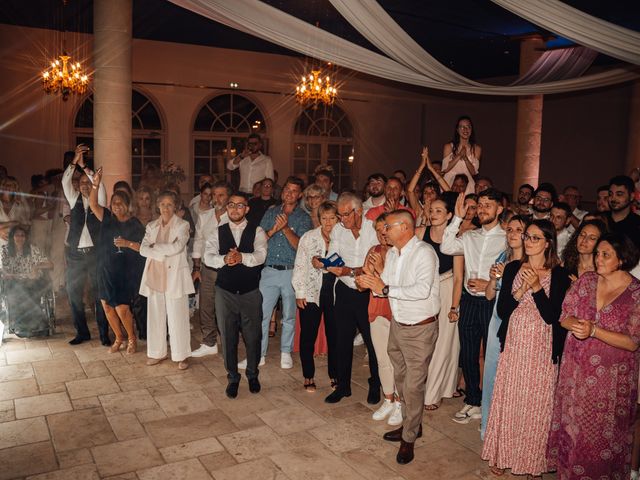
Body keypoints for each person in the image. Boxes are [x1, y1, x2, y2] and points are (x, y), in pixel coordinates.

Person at [547, 233, 640, 479]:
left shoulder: (636, 293)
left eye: (605, 254)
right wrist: (576, 325)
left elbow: (633, 342)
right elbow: (564, 316)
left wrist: (594, 331)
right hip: (575, 373)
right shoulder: (586, 281)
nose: (598, 258)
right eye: (597, 253)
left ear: (622, 259)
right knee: (573, 432)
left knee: (600, 436)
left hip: (610, 382)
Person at [483, 219, 571, 476]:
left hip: (542, 348)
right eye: (527, 237)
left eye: (535, 238)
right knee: (509, 400)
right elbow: (502, 310)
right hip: (514, 344)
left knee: (537, 406)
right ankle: (502, 454)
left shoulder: (560, 275)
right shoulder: (512, 268)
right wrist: (521, 289)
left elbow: (551, 316)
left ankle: (532, 462)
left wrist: (536, 288)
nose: (528, 242)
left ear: (548, 243)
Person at [357, 210, 440, 465]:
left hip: (419, 328)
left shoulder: (424, 253)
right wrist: (372, 281)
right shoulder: (393, 253)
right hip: (398, 324)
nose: (384, 232)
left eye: (388, 227)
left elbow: (421, 290)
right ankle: (411, 425)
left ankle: (409, 438)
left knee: (414, 386)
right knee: (402, 380)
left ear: (404, 227)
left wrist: (382, 287)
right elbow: (389, 286)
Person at [440, 188, 506, 424]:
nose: (482, 209)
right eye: (480, 205)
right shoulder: (470, 236)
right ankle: (473, 400)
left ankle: (491, 403)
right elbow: (446, 247)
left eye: (488, 205)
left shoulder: (507, 238)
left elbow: (516, 271)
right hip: (469, 301)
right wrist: (457, 218)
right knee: (467, 353)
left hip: (493, 302)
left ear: (500, 209)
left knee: (491, 354)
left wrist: (491, 283)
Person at [204, 192, 267, 399]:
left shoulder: (257, 230)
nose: (235, 209)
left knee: (253, 336)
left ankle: (252, 374)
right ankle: (232, 377)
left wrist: (242, 257)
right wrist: (225, 259)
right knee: (228, 336)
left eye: (240, 206)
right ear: (227, 208)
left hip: (250, 292)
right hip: (225, 292)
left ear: (246, 209)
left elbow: (260, 256)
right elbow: (208, 257)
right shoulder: (217, 232)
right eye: (231, 205)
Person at [324, 192, 381, 404]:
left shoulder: (374, 229)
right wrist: (326, 263)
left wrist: (349, 271)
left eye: (346, 215)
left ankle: (376, 383)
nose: (342, 220)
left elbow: (376, 265)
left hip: (369, 292)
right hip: (345, 291)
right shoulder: (339, 230)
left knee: (372, 341)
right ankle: (343, 386)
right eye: (340, 215)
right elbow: (334, 256)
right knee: (342, 340)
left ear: (359, 211)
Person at [249, 176, 311, 369]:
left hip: (292, 271)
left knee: (289, 316)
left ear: (300, 195)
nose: (289, 194)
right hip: (268, 270)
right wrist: (275, 228)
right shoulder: (271, 213)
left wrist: (285, 229)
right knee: (262, 314)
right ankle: (260, 353)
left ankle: (285, 351)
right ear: (282, 191)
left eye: (294, 191)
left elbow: (302, 247)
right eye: (286, 189)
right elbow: (260, 241)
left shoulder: (303, 217)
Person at [480, 215, 527, 438]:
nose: (513, 234)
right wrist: (491, 279)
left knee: (512, 379)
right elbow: (490, 295)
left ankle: (509, 432)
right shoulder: (502, 257)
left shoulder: (532, 263)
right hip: (497, 320)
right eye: (510, 229)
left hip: (520, 322)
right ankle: (489, 429)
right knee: (492, 375)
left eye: (519, 229)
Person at [88, 168, 145, 354]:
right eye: (114, 203)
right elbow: (93, 202)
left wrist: (127, 244)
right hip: (104, 268)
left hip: (124, 271)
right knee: (106, 307)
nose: (116, 206)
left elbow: (142, 247)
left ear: (127, 204)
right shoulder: (106, 218)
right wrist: (95, 184)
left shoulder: (134, 223)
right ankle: (118, 337)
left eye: (120, 203)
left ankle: (131, 338)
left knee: (121, 308)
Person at [139, 190, 194, 370]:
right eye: (163, 204)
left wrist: (155, 248)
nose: (166, 208)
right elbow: (143, 249)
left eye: (170, 204)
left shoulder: (183, 225)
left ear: (176, 206)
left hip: (175, 276)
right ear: (158, 206)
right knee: (155, 315)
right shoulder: (151, 226)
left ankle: (182, 355)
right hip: (155, 273)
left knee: (178, 316)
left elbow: (177, 247)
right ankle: (157, 352)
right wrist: (160, 249)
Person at [62, 144, 110, 345]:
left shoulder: (97, 201)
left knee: (100, 294)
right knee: (74, 294)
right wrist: (75, 161)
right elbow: (65, 181)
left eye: (87, 182)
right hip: (75, 255)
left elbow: (101, 187)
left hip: (95, 254)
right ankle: (82, 332)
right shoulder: (73, 200)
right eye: (81, 182)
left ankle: (104, 334)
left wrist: (87, 168)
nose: (84, 184)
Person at [358, 212, 402, 425]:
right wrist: (362, 279)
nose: (382, 233)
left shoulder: (402, 253)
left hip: (398, 310)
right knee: (382, 359)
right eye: (377, 230)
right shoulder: (373, 251)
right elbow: (363, 281)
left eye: (385, 228)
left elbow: (394, 283)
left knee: (399, 361)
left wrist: (379, 271)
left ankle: (401, 402)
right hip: (377, 308)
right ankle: (388, 399)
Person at [292, 201, 339, 392]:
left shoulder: (343, 237)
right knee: (308, 336)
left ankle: (335, 374)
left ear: (338, 218)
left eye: (332, 218)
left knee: (335, 336)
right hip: (311, 291)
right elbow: (300, 265)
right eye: (324, 218)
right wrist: (300, 292)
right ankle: (308, 375)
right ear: (319, 219)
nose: (328, 222)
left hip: (336, 292)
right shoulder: (309, 237)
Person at [419, 193, 460, 410]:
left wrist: (454, 306)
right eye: (431, 210)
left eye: (439, 211)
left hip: (446, 287)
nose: (433, 214)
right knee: (426, 341)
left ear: (449, 215)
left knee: (445, 341)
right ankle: (442, 387)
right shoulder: (420, 232)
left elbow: (459, 277)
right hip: (425, 289)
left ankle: (433, 394)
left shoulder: (456, 239)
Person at [190, 181, 231, 358]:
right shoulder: (205, 215)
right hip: (207, 268)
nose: (217, 198)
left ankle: (229, 342)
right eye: (214, 194)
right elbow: (198, 241)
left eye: (221, 195)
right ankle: (209, 342)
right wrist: (197, 267)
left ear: (229, 197)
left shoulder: (234, 216)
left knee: (227, 307)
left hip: (228, 269)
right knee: (206, 306)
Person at [1, 226, 53, 337]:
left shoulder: (32, 249)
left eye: (22, 235)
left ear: (26, 238)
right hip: (13, 281)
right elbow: (3, 269)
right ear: (12, 237)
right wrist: (12, 275)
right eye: (17, 235)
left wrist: (36, 267)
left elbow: (50, 264)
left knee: (32, 290)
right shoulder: (4, 250)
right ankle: (23, 327)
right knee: (18, 292)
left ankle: (38, 326)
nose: (20, 238)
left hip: (31, 280)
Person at [441, 116, 481, 196]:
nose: (465, 130)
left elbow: (473, 172)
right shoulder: (449, 146)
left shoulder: (477, 148)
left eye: (468, 127)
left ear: (471, 129)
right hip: (449, 182)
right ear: (457, 130)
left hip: (467, 185)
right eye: (462, 127)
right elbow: (445, 169)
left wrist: (465, 158)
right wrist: (459, 155)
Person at [607, 175, 640, 248]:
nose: (613, 199)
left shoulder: (637, 224)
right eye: (610, 194)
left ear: (631, 196)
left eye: (619, 194)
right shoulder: (601, 219)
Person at [0, 176, 31, 245]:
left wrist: (17, 228)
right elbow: (17, 223)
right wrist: (13, 223)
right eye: (6, 185)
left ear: (15, 189)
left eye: (12, 186)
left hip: (12, 245)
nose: (9, 188)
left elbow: (26, 225)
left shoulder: (18, 205)